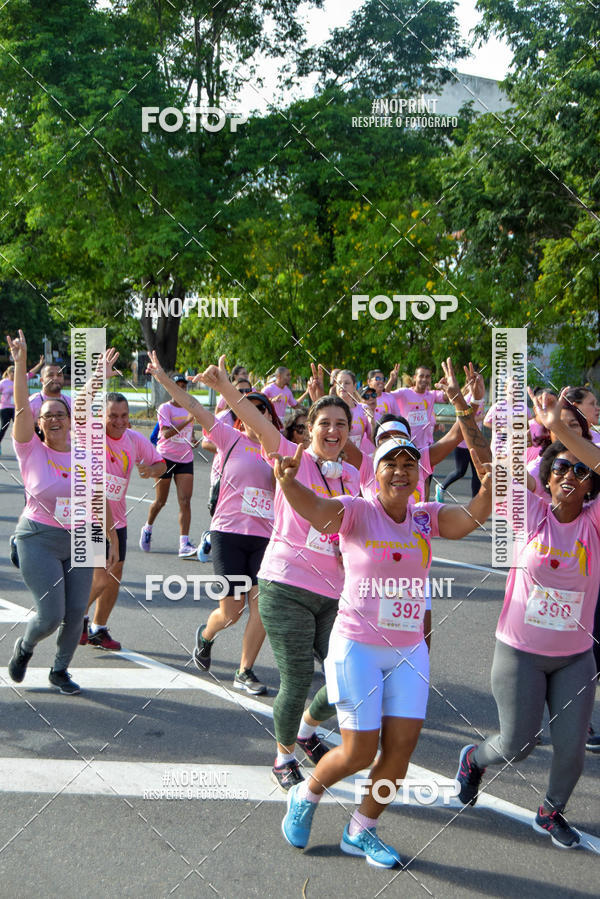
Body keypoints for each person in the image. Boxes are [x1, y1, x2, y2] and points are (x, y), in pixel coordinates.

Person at [278, 367, 492, 866]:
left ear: (418, 473)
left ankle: (361, 829)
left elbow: (471, 518)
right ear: (375, 470)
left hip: (409, 651)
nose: (400, 470)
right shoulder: (356, 511)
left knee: (399, 753)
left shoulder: (424, 515)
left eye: (408, 464)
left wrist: (489, 484)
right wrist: (288, 486)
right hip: (356, 646)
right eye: (390, 463)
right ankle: (305, 794)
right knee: (357, 750)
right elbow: (314, 508)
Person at [199, 356, 361, 790]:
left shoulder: (353, 476)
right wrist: (226, 390)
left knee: (348, 675)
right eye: (323, 423)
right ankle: (283, 755)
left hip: (336, 595)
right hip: (285, 586)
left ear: (348, 431)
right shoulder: (294, 459)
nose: (332, 431)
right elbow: (259, 421)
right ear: (310, 429)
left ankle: (307, 732)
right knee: (298, 677)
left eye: (340, 424)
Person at [455, 386, 600, 848]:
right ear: (548, 475)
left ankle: (550, 810)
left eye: (581, 469)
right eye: (561, 467)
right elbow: (485, 461)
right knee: (518, 744)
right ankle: (474, 761)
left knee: (573, 751)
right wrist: (464, 410)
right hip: (519, 652)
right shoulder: (528, 510)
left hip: (576, 656)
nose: (571, 475)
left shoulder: (595, 522)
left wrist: (560, 429)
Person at [146, 352, 279, 694]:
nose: (254, 413)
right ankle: (205, 636)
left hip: (266, 540)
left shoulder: (280, 448)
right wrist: (162, 378)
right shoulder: (228, 437)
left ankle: (244, 671)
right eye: (247, 408)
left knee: (262, 606)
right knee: (231, 612)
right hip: (228, 536)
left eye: (261, 408)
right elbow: (193, 406)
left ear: (270, 416)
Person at [6, 330, 118, 694]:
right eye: (47, 415)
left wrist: (110, 535)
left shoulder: (85, 451)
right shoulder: (30, 450)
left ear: (71, 420)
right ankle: (25, 646)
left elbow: (98, 497)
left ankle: (60, 670)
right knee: (51, 615)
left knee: (75, 615)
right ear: (39, 424)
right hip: (39, 537)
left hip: (82, 535)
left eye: (60, 414)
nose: (54, 418)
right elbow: (22, 407)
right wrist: (21, 363)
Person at [84, 380, 166, 650]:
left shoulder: (133, 439)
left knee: (114, 576)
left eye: (124, 416)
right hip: (91, 515)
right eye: (112, 416)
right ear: (102, 417)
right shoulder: (94, 435)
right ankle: (74, 619)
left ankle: (98, 628)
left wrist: (150, 470)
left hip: (118, 518)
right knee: (101, 577)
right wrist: (98, 376)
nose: (119, 421)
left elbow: (161, 464)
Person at [139, 374, 199, 558]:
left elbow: (189, 434)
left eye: (184, 386)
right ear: (171, 389)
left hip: (185, 459)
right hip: (165, 458)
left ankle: (184, 543)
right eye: (177, 386)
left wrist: (193, 440)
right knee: (161, 501)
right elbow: (165, 434)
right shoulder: (165, 408)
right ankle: (148, 528)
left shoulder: (190, 407)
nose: (181, 389)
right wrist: (188, 420)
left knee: (185, 501)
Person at [435, 383, 486, 501]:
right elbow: (461, 419)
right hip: (462, 442)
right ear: (468, 385)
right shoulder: (466, 400)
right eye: (473, 383)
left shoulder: (481, 400)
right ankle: (442, 487)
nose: (477, 386)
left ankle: (475, 500)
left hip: (475, 441)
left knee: (477, 473)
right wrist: (480, 418)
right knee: (460, 471)